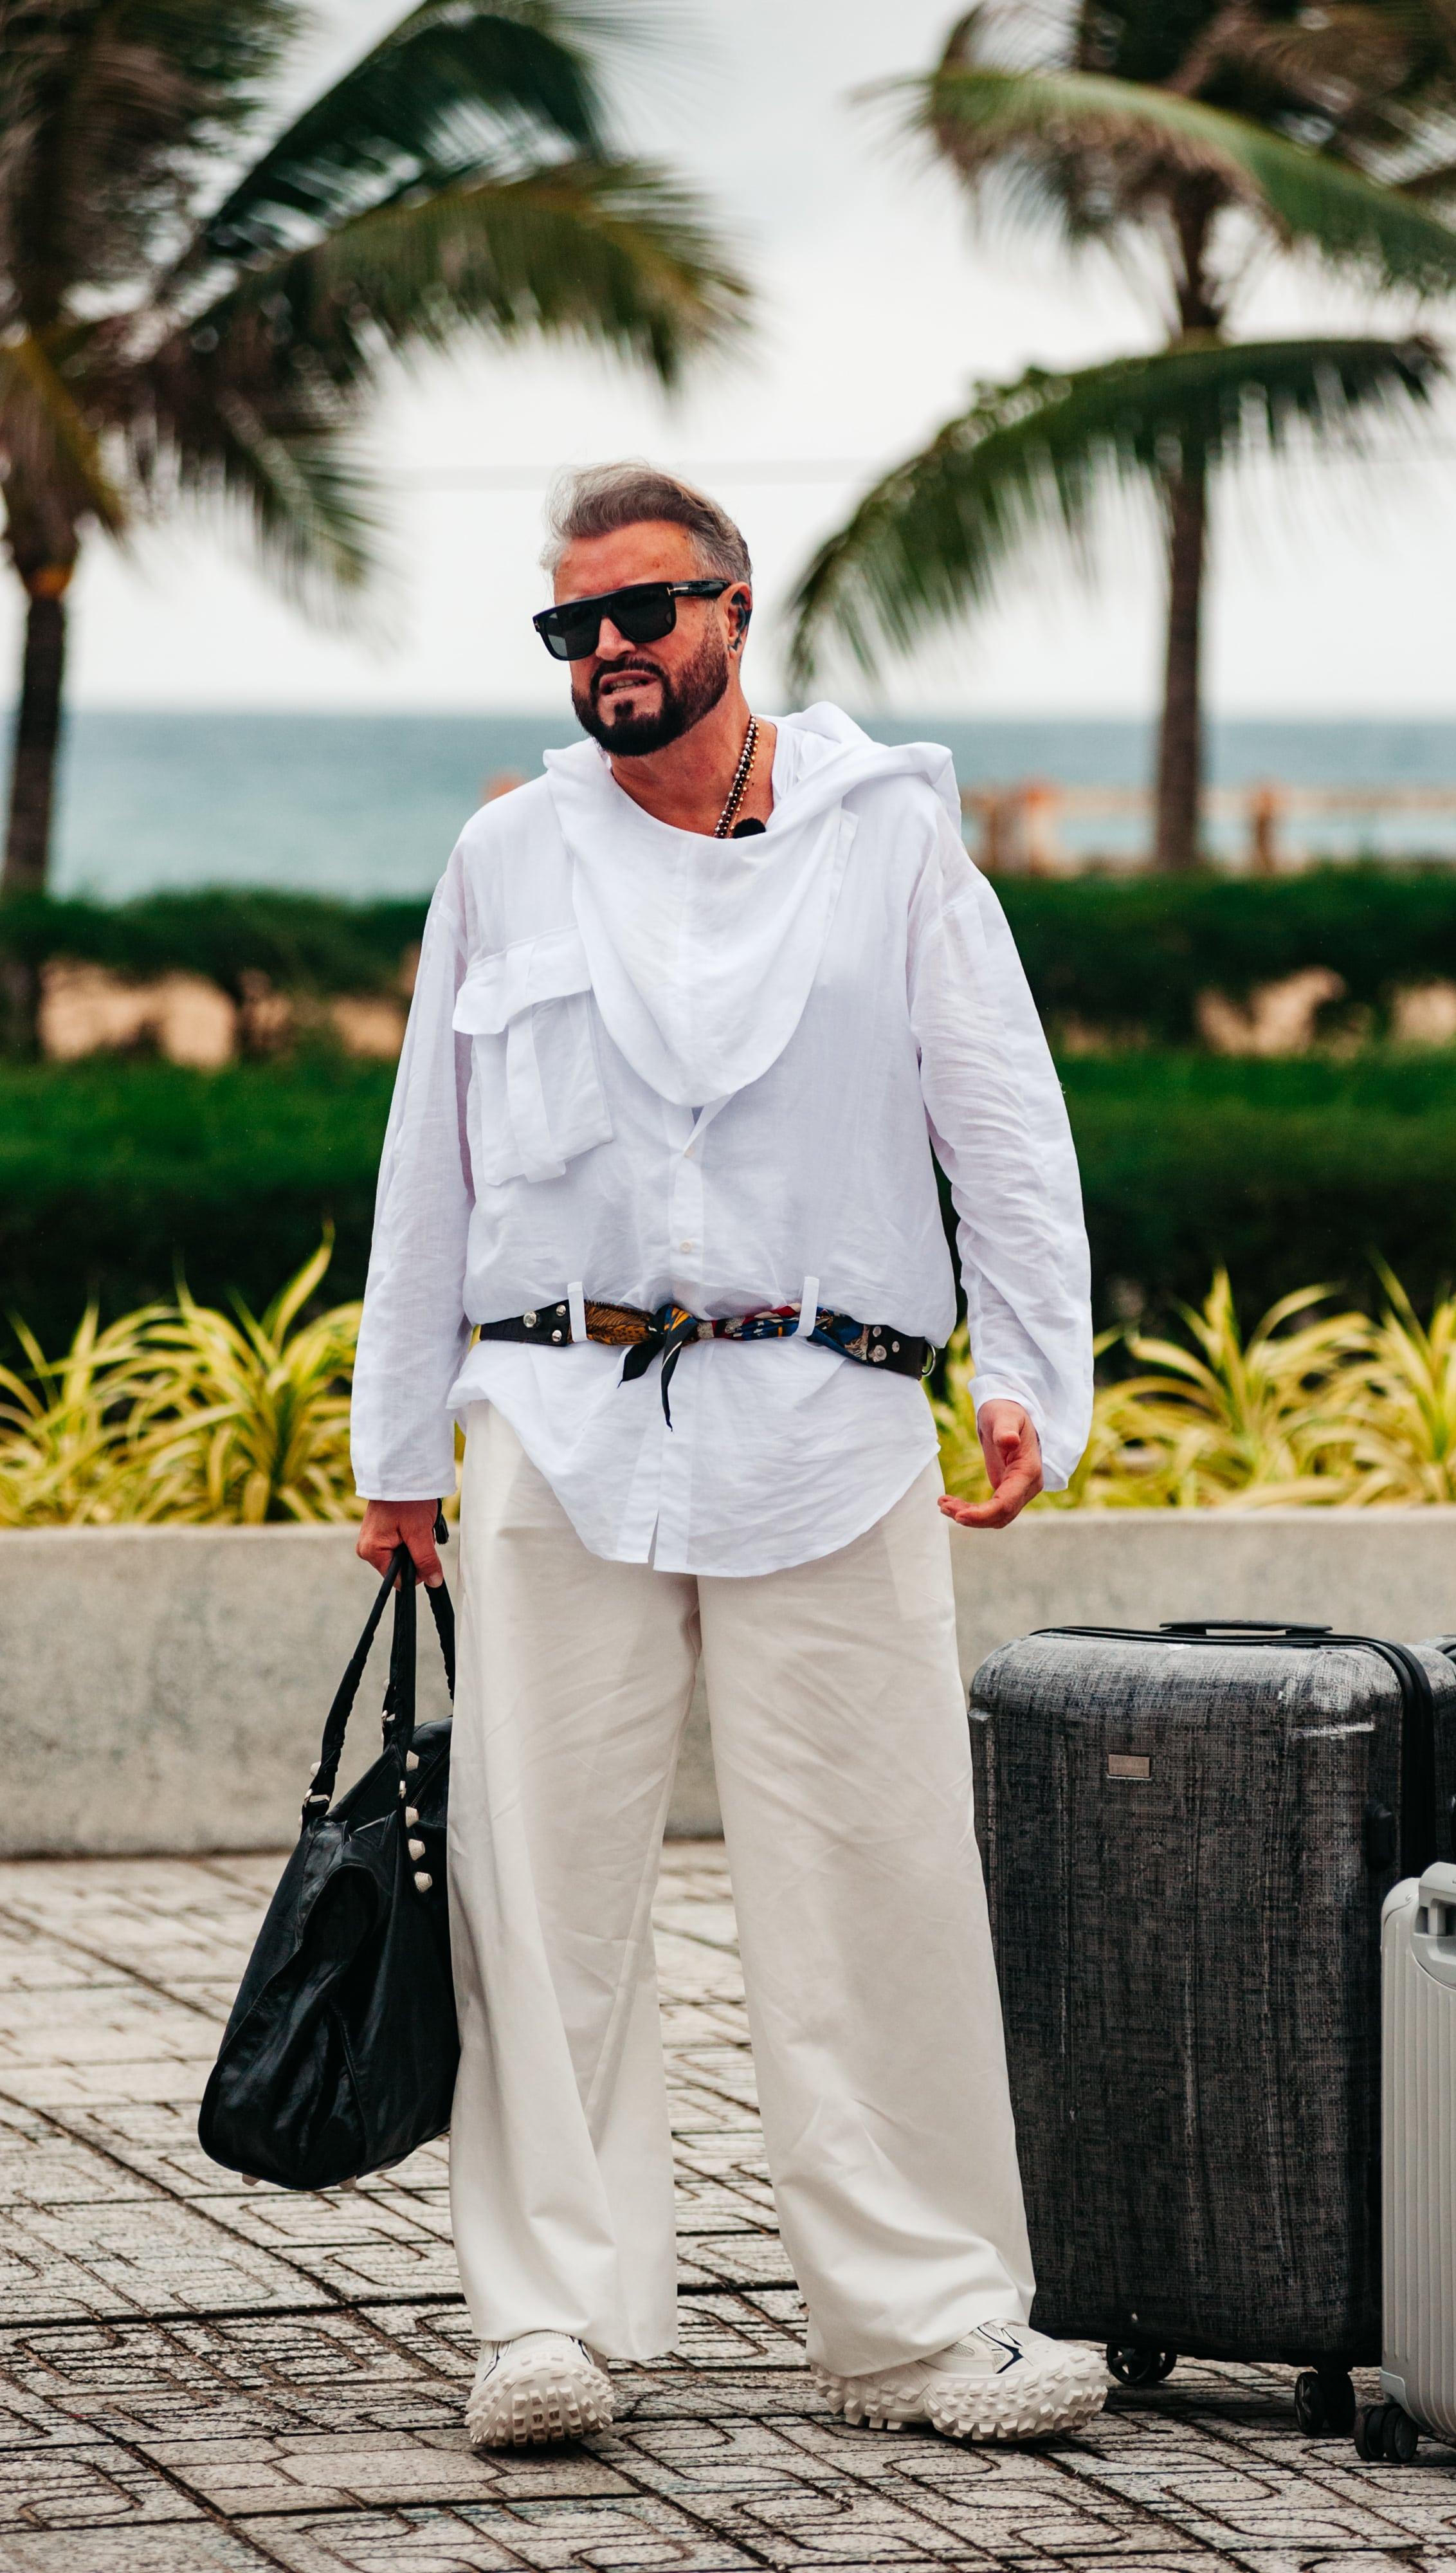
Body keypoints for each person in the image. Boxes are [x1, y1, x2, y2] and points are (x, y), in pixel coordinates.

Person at [349, 462, 1098, 2449]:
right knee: (539, 1896)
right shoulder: (508, 855)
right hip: (556, 1427)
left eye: (641, 611)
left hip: (832, 1423)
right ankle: (550, 2320)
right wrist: (396, 1444)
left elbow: (1001, 1118)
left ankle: (925, 2324)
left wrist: (1034, 1371)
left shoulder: (888, 837)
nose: (605, 650)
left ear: (733, 610)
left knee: (881, 1882)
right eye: (570, 625)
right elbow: (431, 1157)